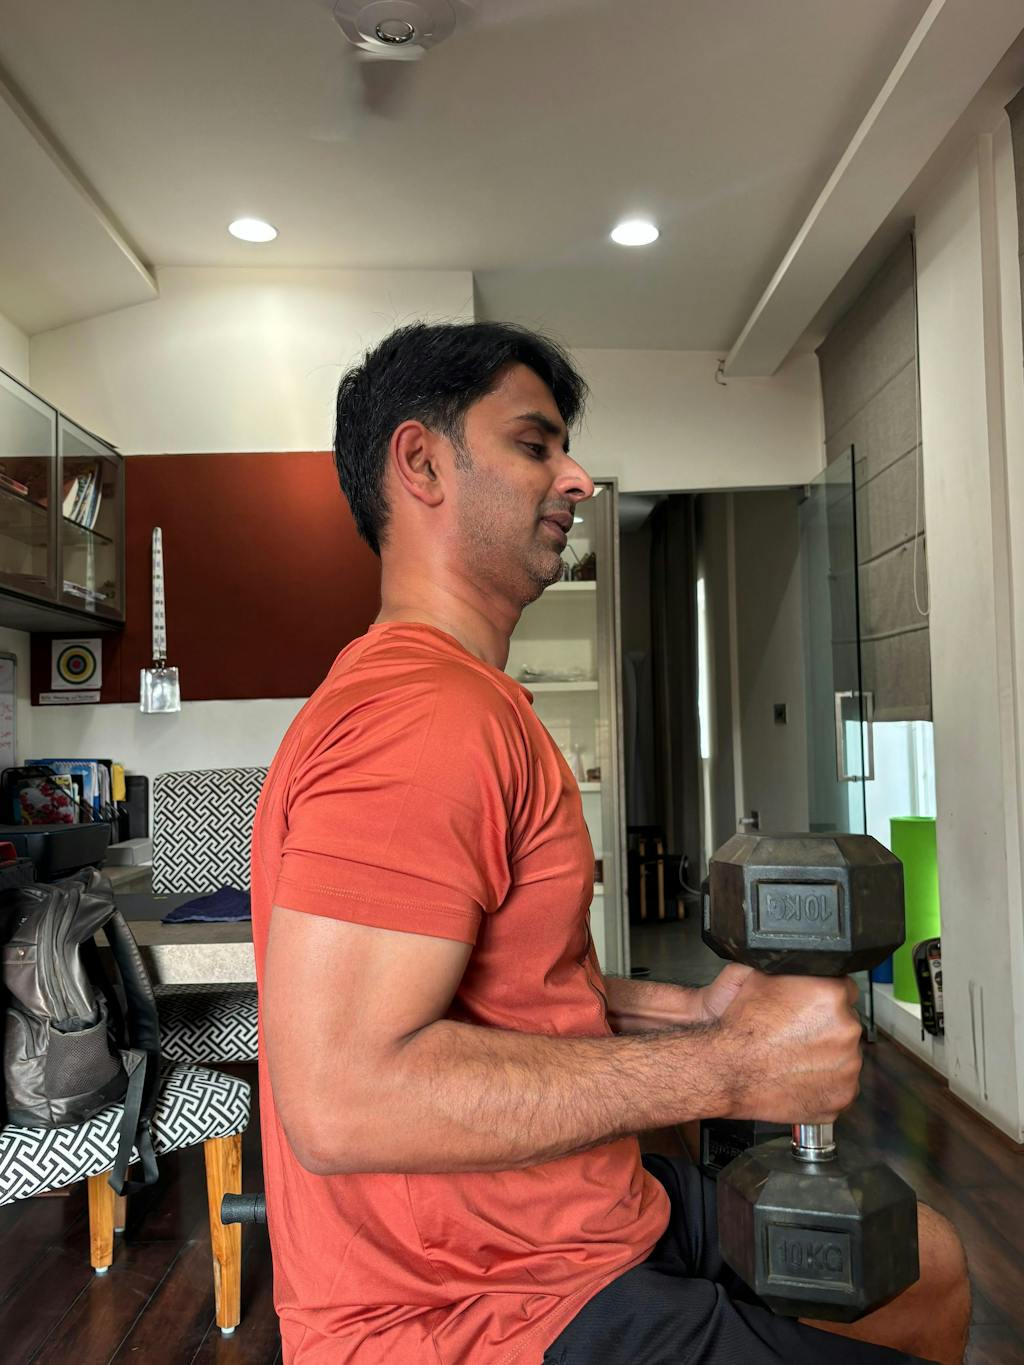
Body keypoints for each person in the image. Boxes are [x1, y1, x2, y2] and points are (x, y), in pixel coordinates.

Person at [252, 321, 970, 1365]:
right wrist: (729, 1068)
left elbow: (504, 991)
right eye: (533, 444)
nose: (577, 478)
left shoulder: (462, 700)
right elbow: (341, 1098)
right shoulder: (419, 719)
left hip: (573, 1215)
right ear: (422, 464)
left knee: (923, 1266)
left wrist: (695, 1014)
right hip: (472, 1309)